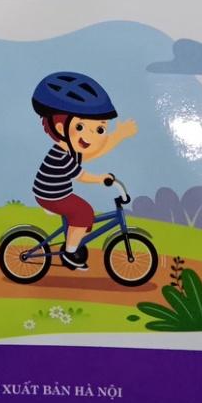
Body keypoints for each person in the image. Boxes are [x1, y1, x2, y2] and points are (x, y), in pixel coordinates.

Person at [30, 72, 138, 270]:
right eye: (80, 126)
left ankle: (74, 239)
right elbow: (81, 176)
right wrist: (100, 179)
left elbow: (94, 153)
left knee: (82, 216)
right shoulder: (61, 155)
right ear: (60, 128)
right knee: (84, 212)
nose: (93, 136)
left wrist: (118, 135)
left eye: (100, 130)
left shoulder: (72, 150)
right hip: (51, 195)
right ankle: (70, 252)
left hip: (58, 192)